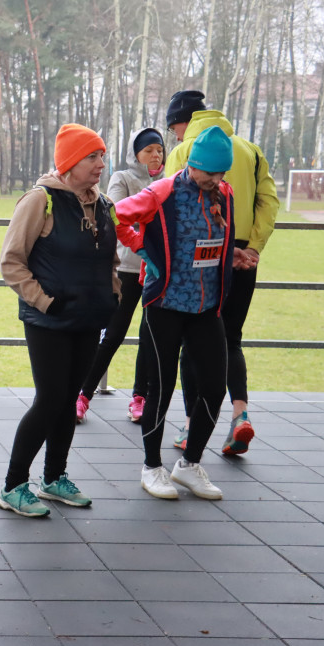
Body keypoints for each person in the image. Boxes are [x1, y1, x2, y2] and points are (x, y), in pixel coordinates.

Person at [0, 123, 120, 517]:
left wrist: (112, 293)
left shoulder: (103, 205)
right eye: (92, 156)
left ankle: (54, 478)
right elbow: (11, 262)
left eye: (102, 155)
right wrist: (45, 302)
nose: (101, 163)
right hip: (47, 321)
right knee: (49, 400)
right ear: (69, 162)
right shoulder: (40, 200)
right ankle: (13, 486)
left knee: (68, 401)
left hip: (88, 319)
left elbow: (109, 260)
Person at [114, 125, 236, 500]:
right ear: (194, 165)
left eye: (221, 174)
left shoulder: (224, 194)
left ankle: (189, 465)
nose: (215, 180)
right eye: (210, 173)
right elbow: (117, 215)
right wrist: (145, 251)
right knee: (161, 389)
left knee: (215, 387)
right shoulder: (163, 191)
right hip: (164, 305)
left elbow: (219, 240)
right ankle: (152, 468)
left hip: (205, 308)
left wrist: (235, 257)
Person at [163, 91, 279, 455]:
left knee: (191, 341)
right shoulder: (249, 149)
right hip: (244, 253)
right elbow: (269, 201)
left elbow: (171, 206)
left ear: (184, 121)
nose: (175, 135)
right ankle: (239, 417)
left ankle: (187, 427)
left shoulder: (185, 152)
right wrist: (253, 247)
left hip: (203, 255)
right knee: (231, 338)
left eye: (174, 128)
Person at [75, 128, 164, 425]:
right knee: (113, 333)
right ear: (135, 153)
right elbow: (114, 215)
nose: (155, 155)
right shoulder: (123, 178)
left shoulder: (168, 181)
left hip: (157, 270)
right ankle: (83, 395)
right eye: (149, 149)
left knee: (150, 336)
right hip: (127, 267)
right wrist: (148, 212)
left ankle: (140, 398)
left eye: (159, 150)